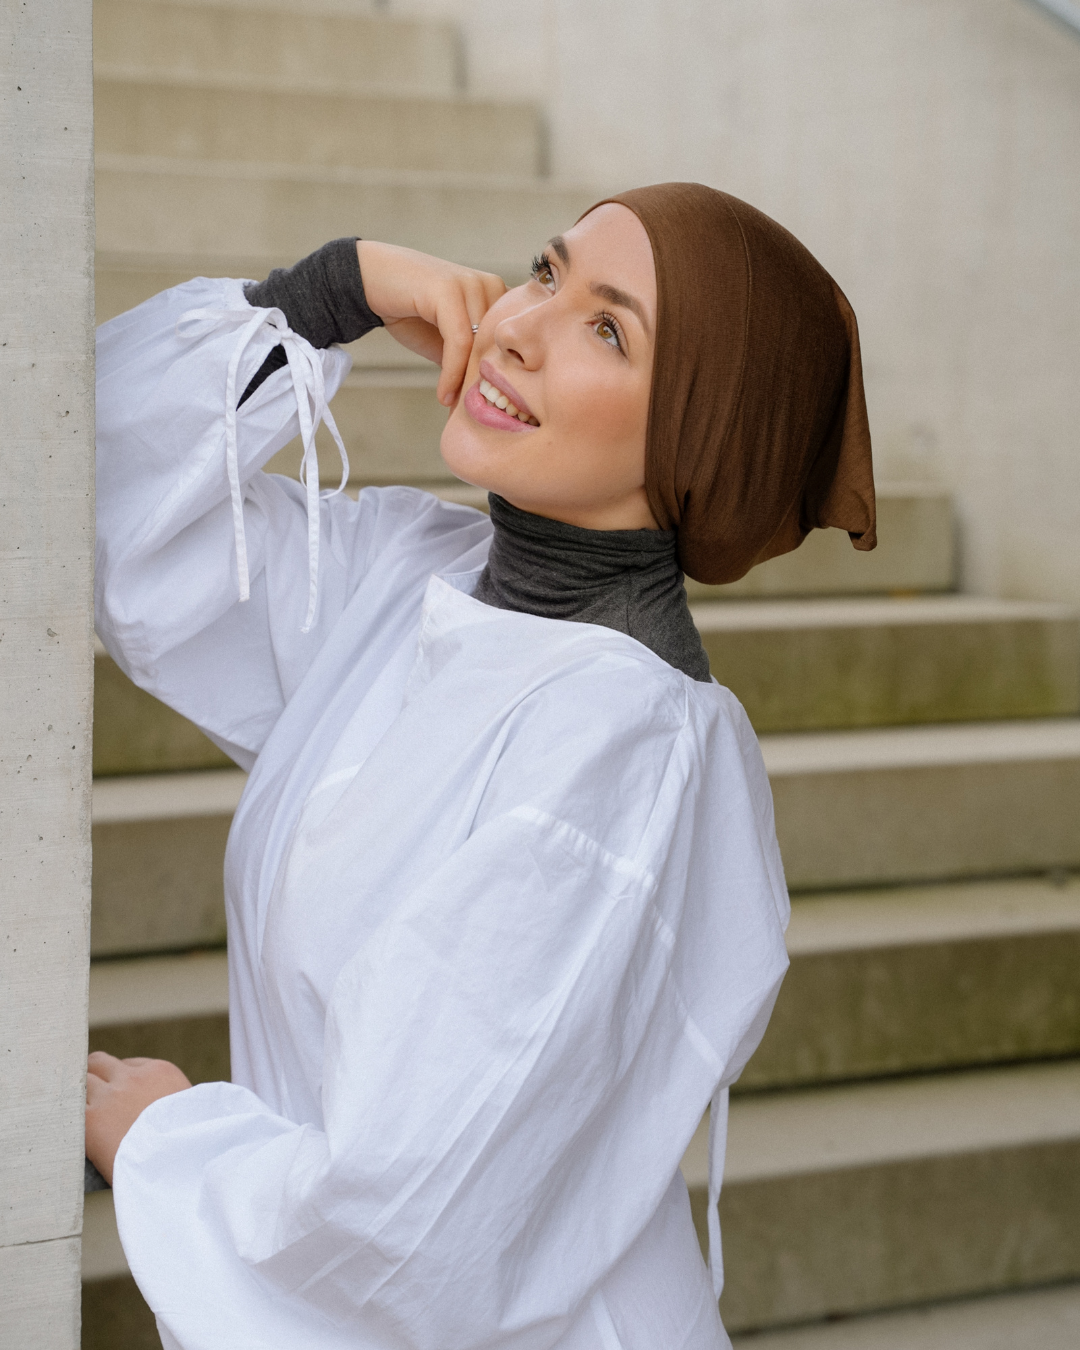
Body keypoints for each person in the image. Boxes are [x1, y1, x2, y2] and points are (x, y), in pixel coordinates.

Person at [86, 183, 875, 1350]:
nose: (516, 323)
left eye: (609, 328)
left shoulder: (618, 747)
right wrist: (329, 293)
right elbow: (103, 503)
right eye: (547, 273)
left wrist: (166, 1140)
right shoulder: (419, 580)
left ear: (699, 437)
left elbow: (414, 1225)